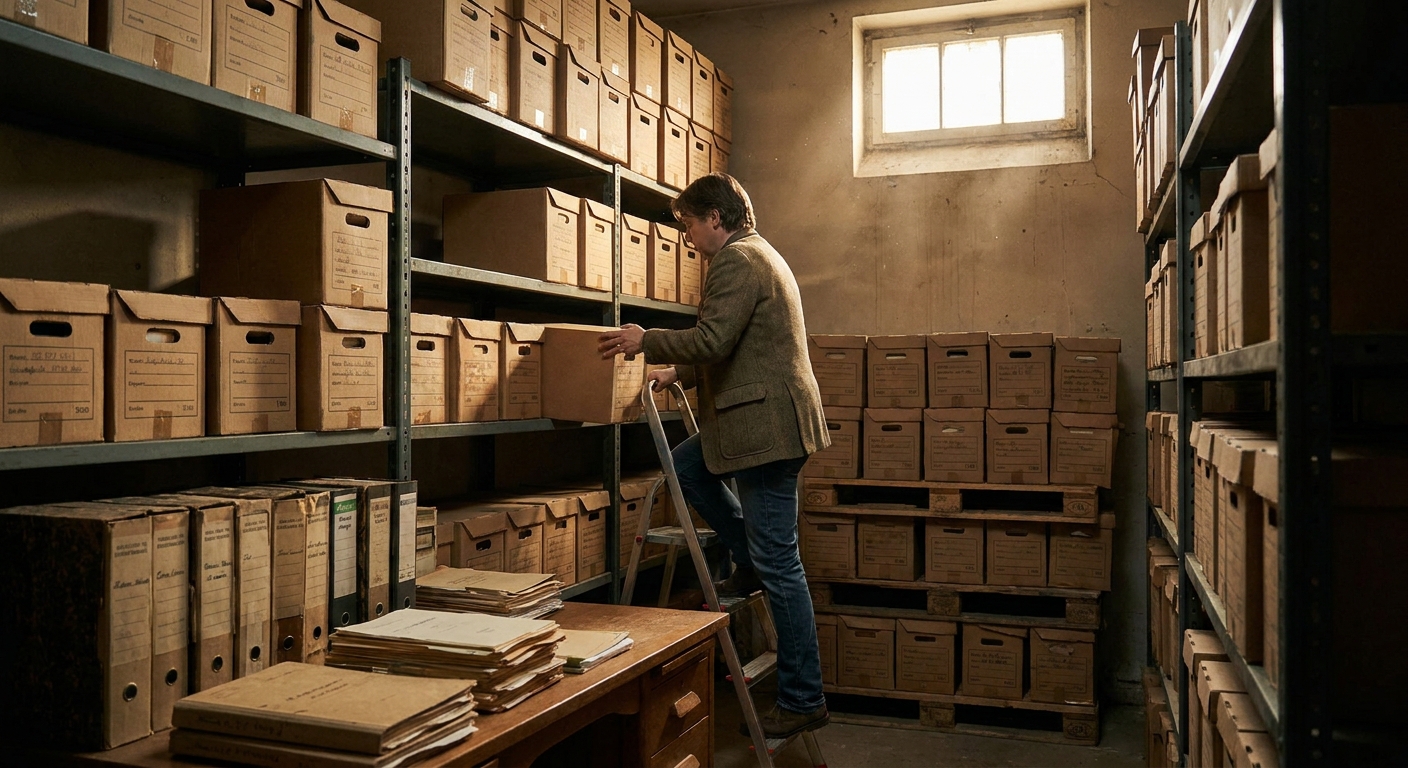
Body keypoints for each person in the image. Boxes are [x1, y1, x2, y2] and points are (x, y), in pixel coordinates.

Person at [598, 173, 831, 740]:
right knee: (685, 469)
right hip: (761, 421)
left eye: (689, 224)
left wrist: (645, 338)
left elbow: (714, 340)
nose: (688, 237)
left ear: (715, 219)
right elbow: (740, 344)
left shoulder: (736, 261)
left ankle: (804, 698)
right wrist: (684, 370)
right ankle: (745, 554)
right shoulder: (759, 255)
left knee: (782, 564)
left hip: (763, 429)